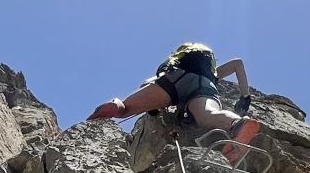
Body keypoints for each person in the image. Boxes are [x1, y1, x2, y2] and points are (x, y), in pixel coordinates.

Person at [85, 42, 261, 158]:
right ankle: (238, 123)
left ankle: (114, 106)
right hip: (204, 85)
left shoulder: (177, 63)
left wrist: (153, 106)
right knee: (208, 114)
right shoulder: (212, 73)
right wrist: (245, 97)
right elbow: (238, 63)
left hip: (173, 79)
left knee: (125, 108)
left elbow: (147, 84)